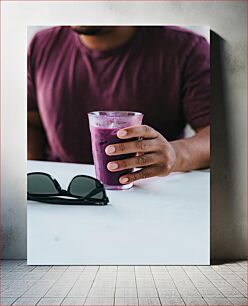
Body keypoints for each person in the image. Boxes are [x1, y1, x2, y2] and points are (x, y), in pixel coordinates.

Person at [28, 26, 210, 186]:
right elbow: (31, 123)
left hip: (148, 192)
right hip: (64, 192)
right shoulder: (42, 44)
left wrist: (175, 154)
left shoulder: (185, 48)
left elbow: (217, 136)